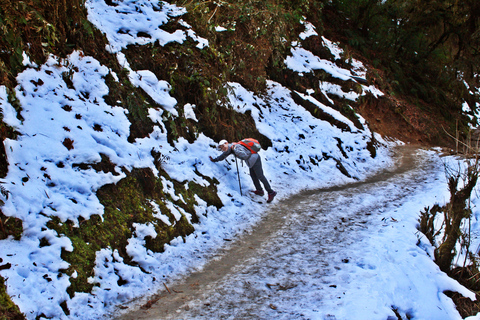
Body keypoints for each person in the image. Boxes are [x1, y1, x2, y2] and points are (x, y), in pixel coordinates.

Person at [210, 139, 277, 203]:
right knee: (253, 176)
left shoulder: (235, 147)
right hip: (251, 161)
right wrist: (214, 160)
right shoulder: (229, 149)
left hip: (255, 159)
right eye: (221, 148)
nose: (223, 148)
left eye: (223, 146)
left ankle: (271, 192)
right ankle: (259, 190)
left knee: (260, 176)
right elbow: (223, 156)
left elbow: (245, 156)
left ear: (226, 143)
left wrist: (236, 150)